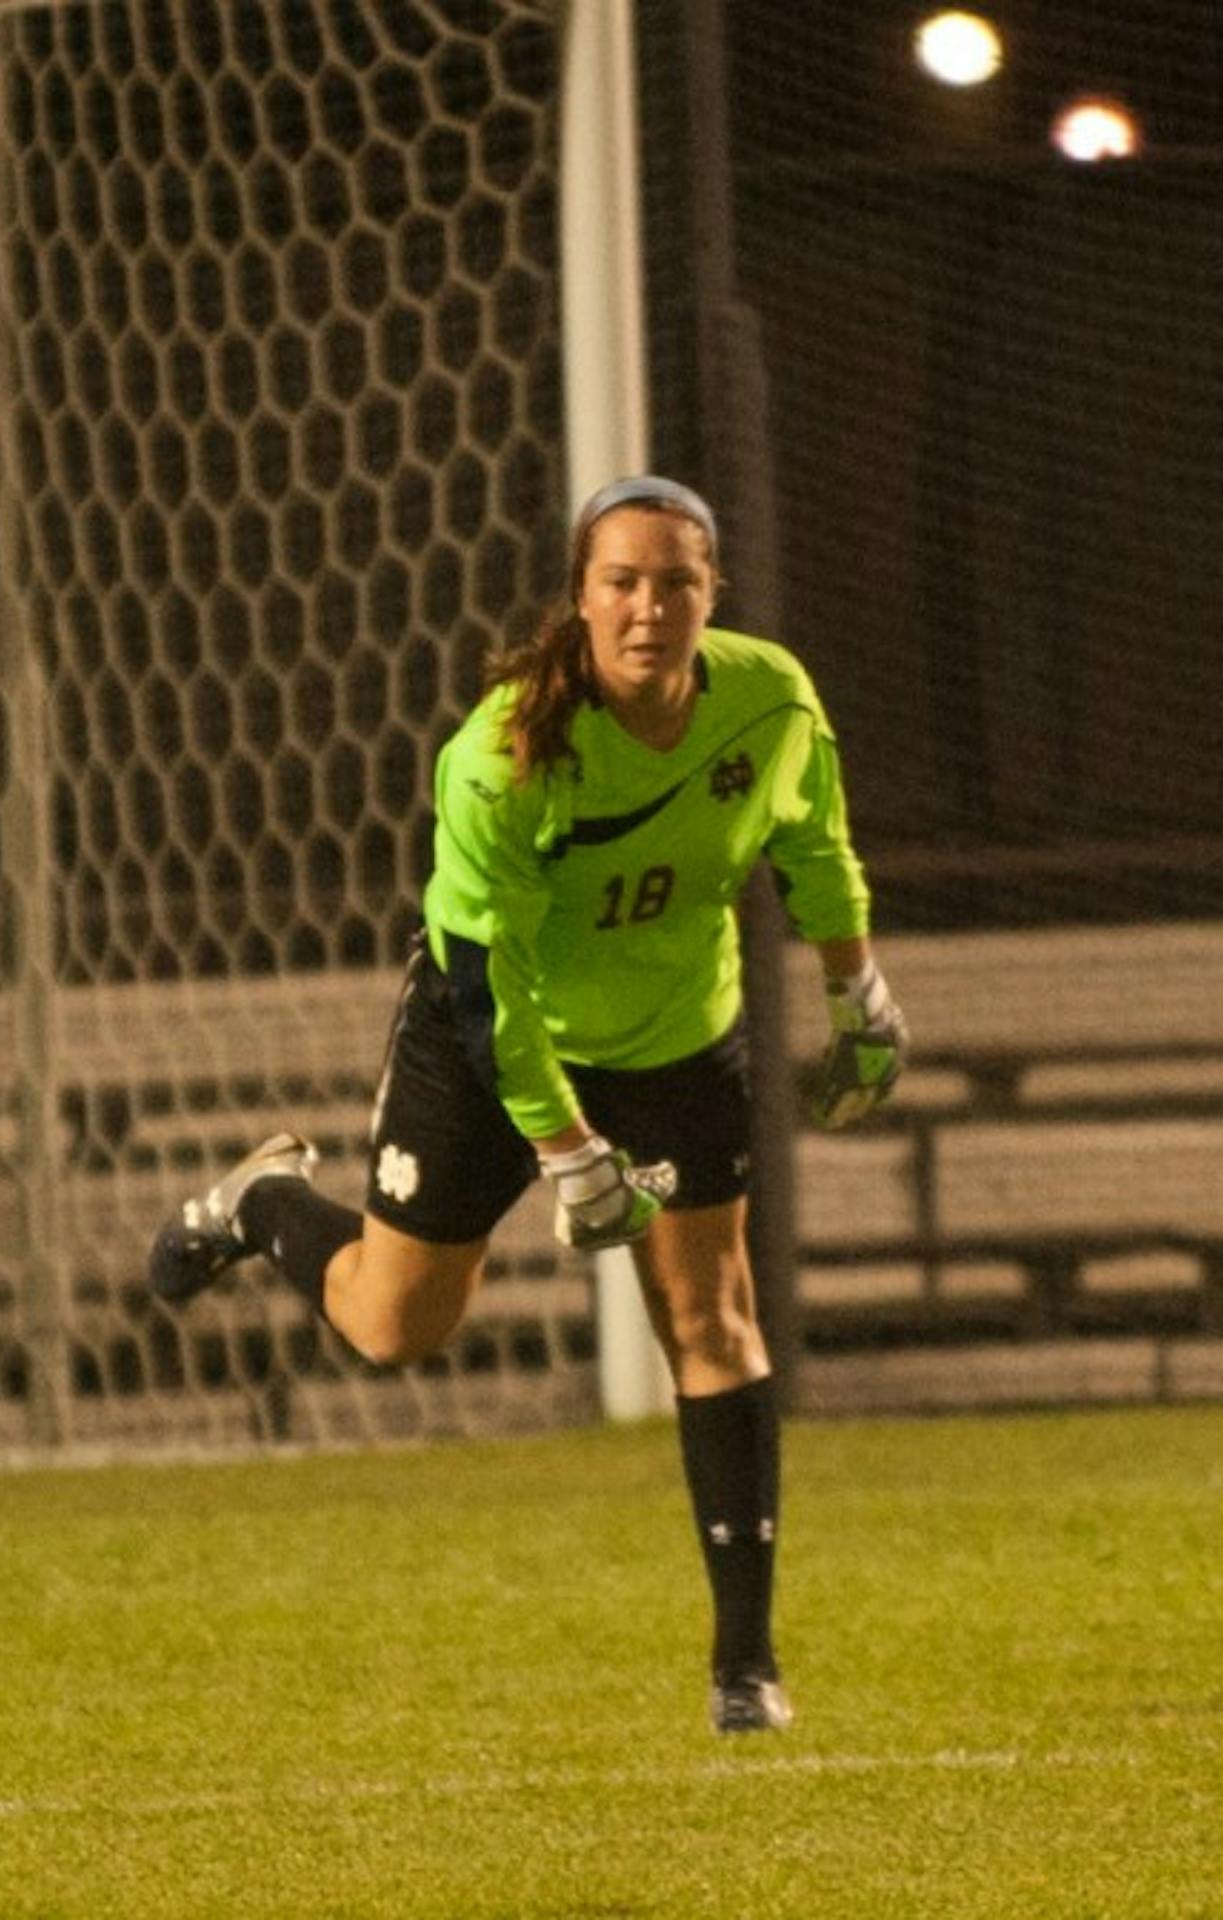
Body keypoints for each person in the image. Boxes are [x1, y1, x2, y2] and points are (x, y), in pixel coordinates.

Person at [148, 475, 907, 1734]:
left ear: (712, 593)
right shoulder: (504, 754)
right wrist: (567, 1154)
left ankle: (744, 1667)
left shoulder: (767, 697)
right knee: (398, 1329)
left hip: (674, 1037)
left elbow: (811, 843)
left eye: (676, 580)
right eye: (621, 580)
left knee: (710, 1315)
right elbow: (482, 990)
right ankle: (265, 1199)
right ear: (579, 597)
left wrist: (857, 993)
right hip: (488, 1041)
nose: (648, 606)